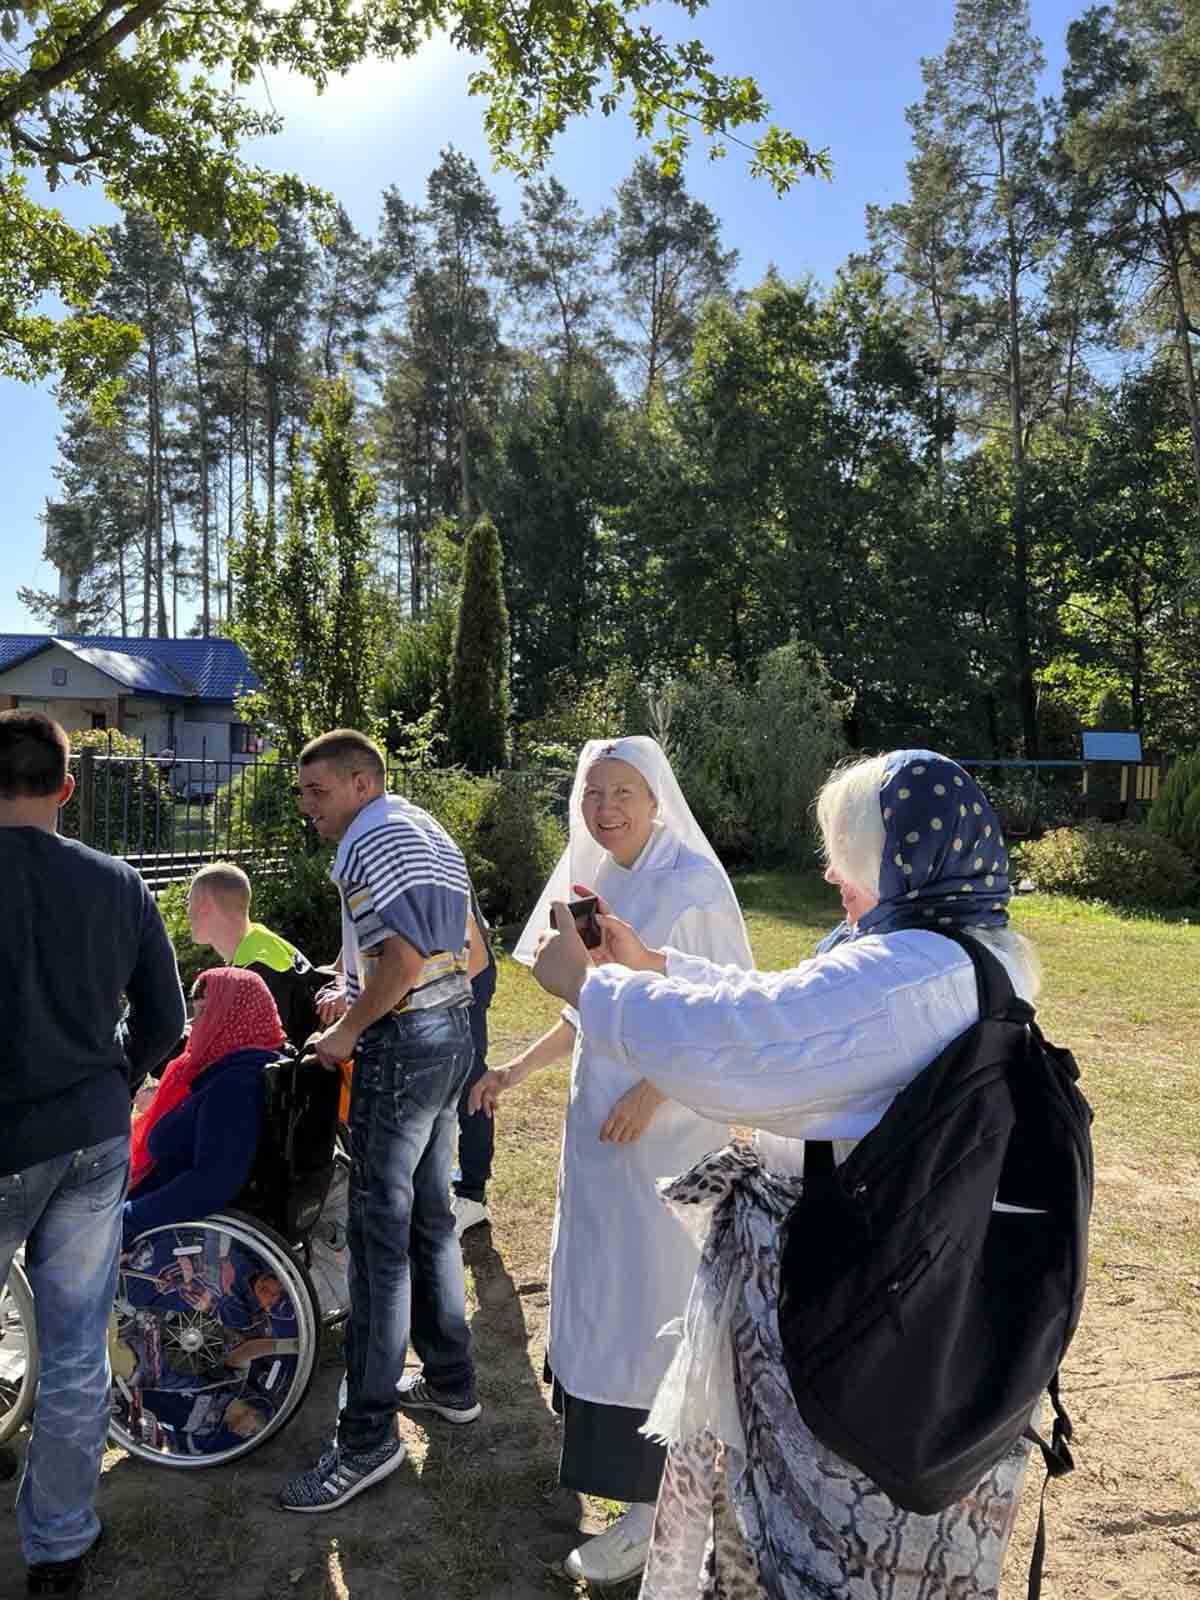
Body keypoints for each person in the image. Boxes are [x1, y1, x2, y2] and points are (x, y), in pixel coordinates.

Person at [532, 749, 1041, 1600]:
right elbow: (791, 1003)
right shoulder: (968, 949)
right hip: (916, 1285)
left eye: (849, 851)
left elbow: (755, 1045)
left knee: (821, 1543)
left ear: (899, 856)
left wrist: (597, 992)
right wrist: (658, 966)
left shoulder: (904, 973)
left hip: (852, 1300)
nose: (832, 872)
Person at [470, 736, 753, 1585]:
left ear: (658, 798)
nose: (606, 808)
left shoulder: (693, 887)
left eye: (624, 791)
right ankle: (632, 1486)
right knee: (604, 1295)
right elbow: (585, 1006)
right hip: (600, 1137)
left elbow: (727, 1014)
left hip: (666, 1137)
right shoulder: (594, 880)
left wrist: (655, 1092)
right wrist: (517, 1068)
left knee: (653, 1306)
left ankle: (657, 1511)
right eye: (593, 792)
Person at [0, 711, 185, 1598]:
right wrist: (119, 1078)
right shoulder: (119, 883)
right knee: (77, 1348)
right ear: (67, 789)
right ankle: (60, 1543)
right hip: (91, 1136)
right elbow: (167, 1021)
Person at [278, 729, 478, 1514]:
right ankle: (452, 1381)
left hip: (404, 1044)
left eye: (317, 791)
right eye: (303, 793)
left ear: (362, 783)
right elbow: (454, 951)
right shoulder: (421, 827)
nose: (307, 806)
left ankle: (365, 1439)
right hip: (453, 1030)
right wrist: (353, 984)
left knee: (377, 1242)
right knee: (432, 1218)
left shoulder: (370, 839)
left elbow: (402, 960)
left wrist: (347, 1029)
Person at [124, 968, 288, 1240]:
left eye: (203, 1014)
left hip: (167, 1232)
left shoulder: (236, 1084)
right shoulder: (244, 1064)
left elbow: (211, 1183)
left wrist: (127, 1218)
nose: (193, 1025)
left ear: (231, 1018)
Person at [187, 862, 320, 1049]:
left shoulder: (257, 969)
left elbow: (259, 1047)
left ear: (204, 907)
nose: (187, 912)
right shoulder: (261, 944)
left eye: (189, 903)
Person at [452, 888, 498, 1238]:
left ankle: (472, 1195)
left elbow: (476, 957)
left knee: (471, 1081)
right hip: (447, 980)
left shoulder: (433, 861)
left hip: (467, 978)